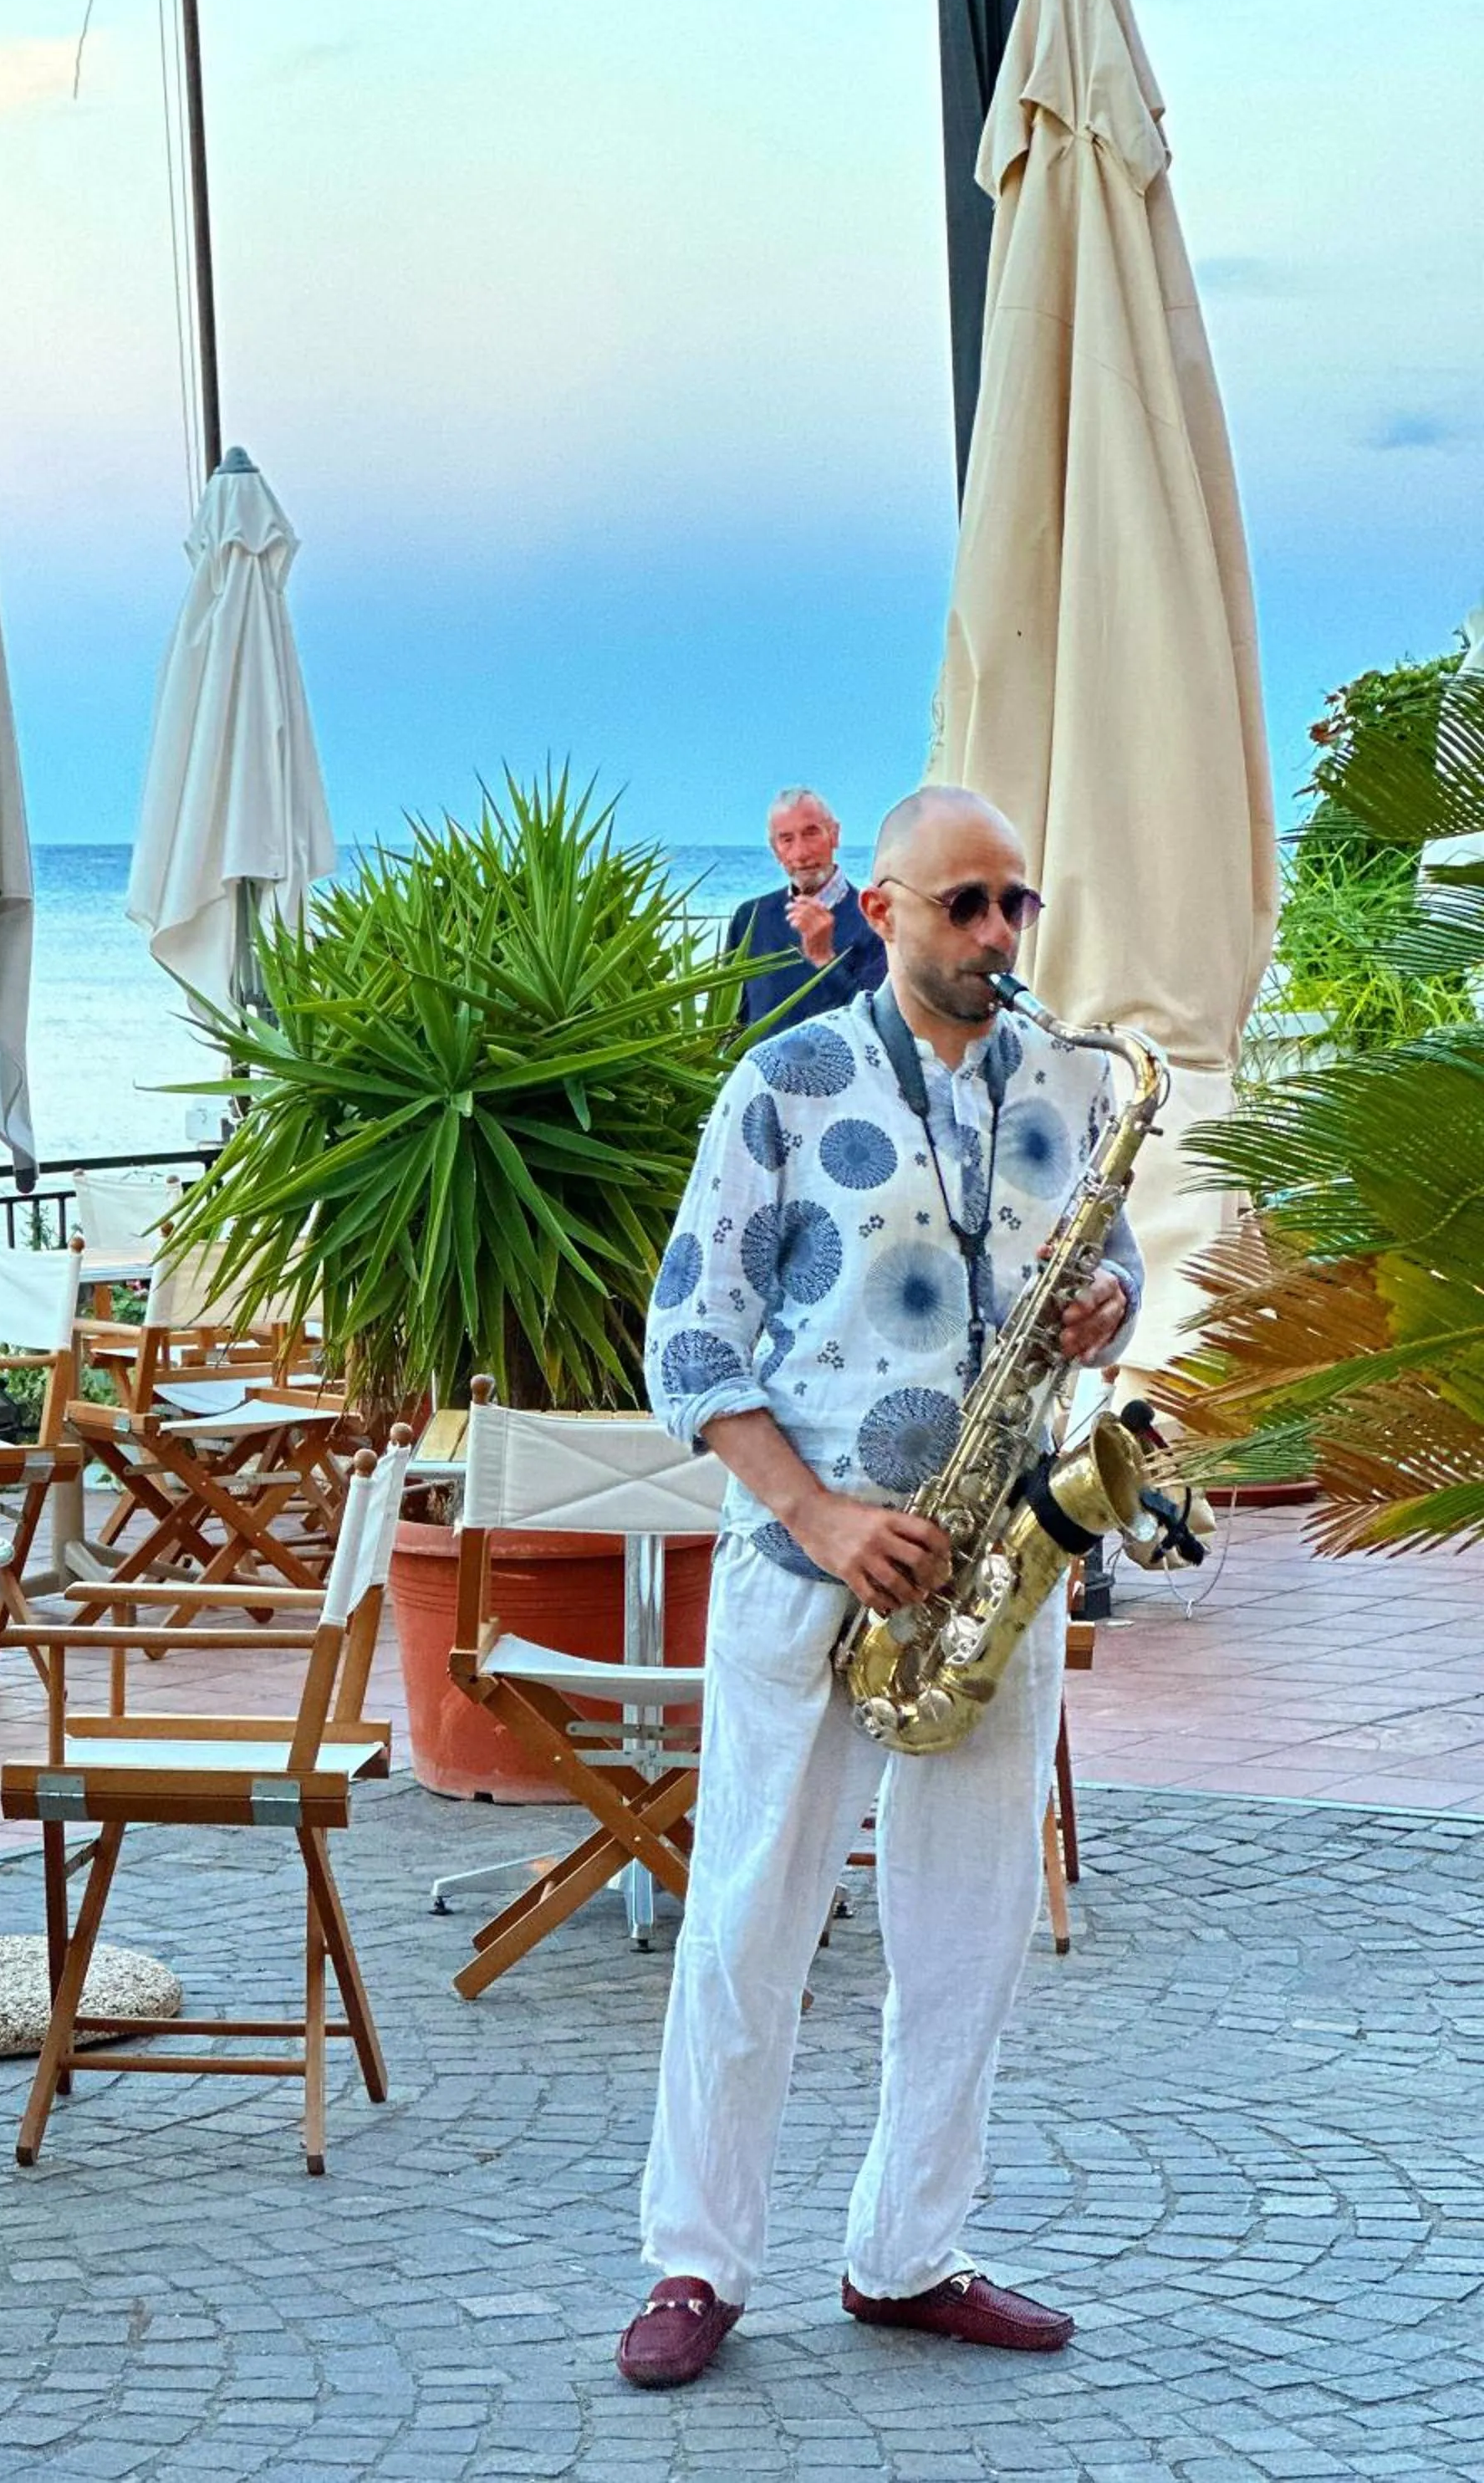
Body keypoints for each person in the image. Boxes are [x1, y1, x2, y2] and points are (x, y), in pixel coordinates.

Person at [616, 786, 1143, 2390]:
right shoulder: (785, 1082)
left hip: (995, 1566)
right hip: (810, 1564)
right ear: (886, 909)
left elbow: (1109, 1282)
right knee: (748, 1924)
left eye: (1017, 906)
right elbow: (687, 1344)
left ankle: (908, 2251)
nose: (998, 935)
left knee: (969, 1930)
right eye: (967, 904)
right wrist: (824, 1518)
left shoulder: (1066, 1087)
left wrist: (1105, 1309)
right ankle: (697, 2263)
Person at [727, 788, 886, 1037]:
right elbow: (732, 1021)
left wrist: (824, 959)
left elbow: (879, 1027)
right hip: (762, 1075)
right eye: (787, 839)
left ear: (834, 835)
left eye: (811, 833)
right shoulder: (749, 918)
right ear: (775, 850)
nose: (801, 853)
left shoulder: (875, 920)